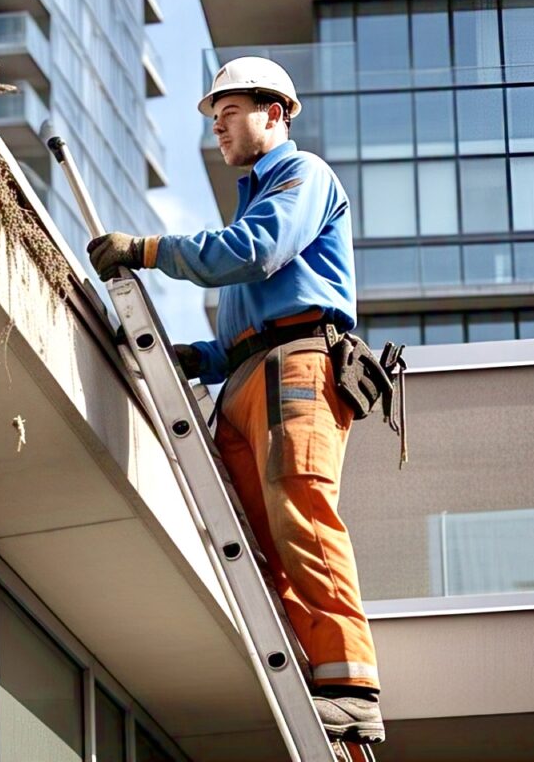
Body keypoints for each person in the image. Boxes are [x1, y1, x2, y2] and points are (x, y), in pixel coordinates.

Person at [87, 56, 384, 745]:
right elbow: (246, 316)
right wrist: (205, 357)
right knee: (257, 546)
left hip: (299, 367)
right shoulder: (254, 197)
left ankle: (352, 686)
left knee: (301, 512)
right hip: (251, 377)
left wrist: (150, 249)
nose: (217, 130)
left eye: (229, 115)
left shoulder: (302, 178)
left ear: (275, 113)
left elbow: (253, 254)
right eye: (214, 119)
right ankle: (314, 679)